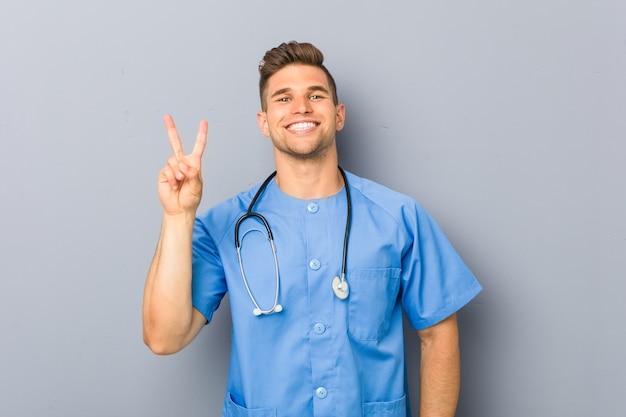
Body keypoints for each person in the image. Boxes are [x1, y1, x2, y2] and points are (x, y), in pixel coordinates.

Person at [142, 41, 482, 417]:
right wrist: (177, 217)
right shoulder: (226, 226)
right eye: (283, 99)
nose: (301, 107)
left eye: (315, 95)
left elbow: (438, 336)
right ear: (264, 121)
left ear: (338, 115)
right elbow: (164, 337)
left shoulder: (399, 217)